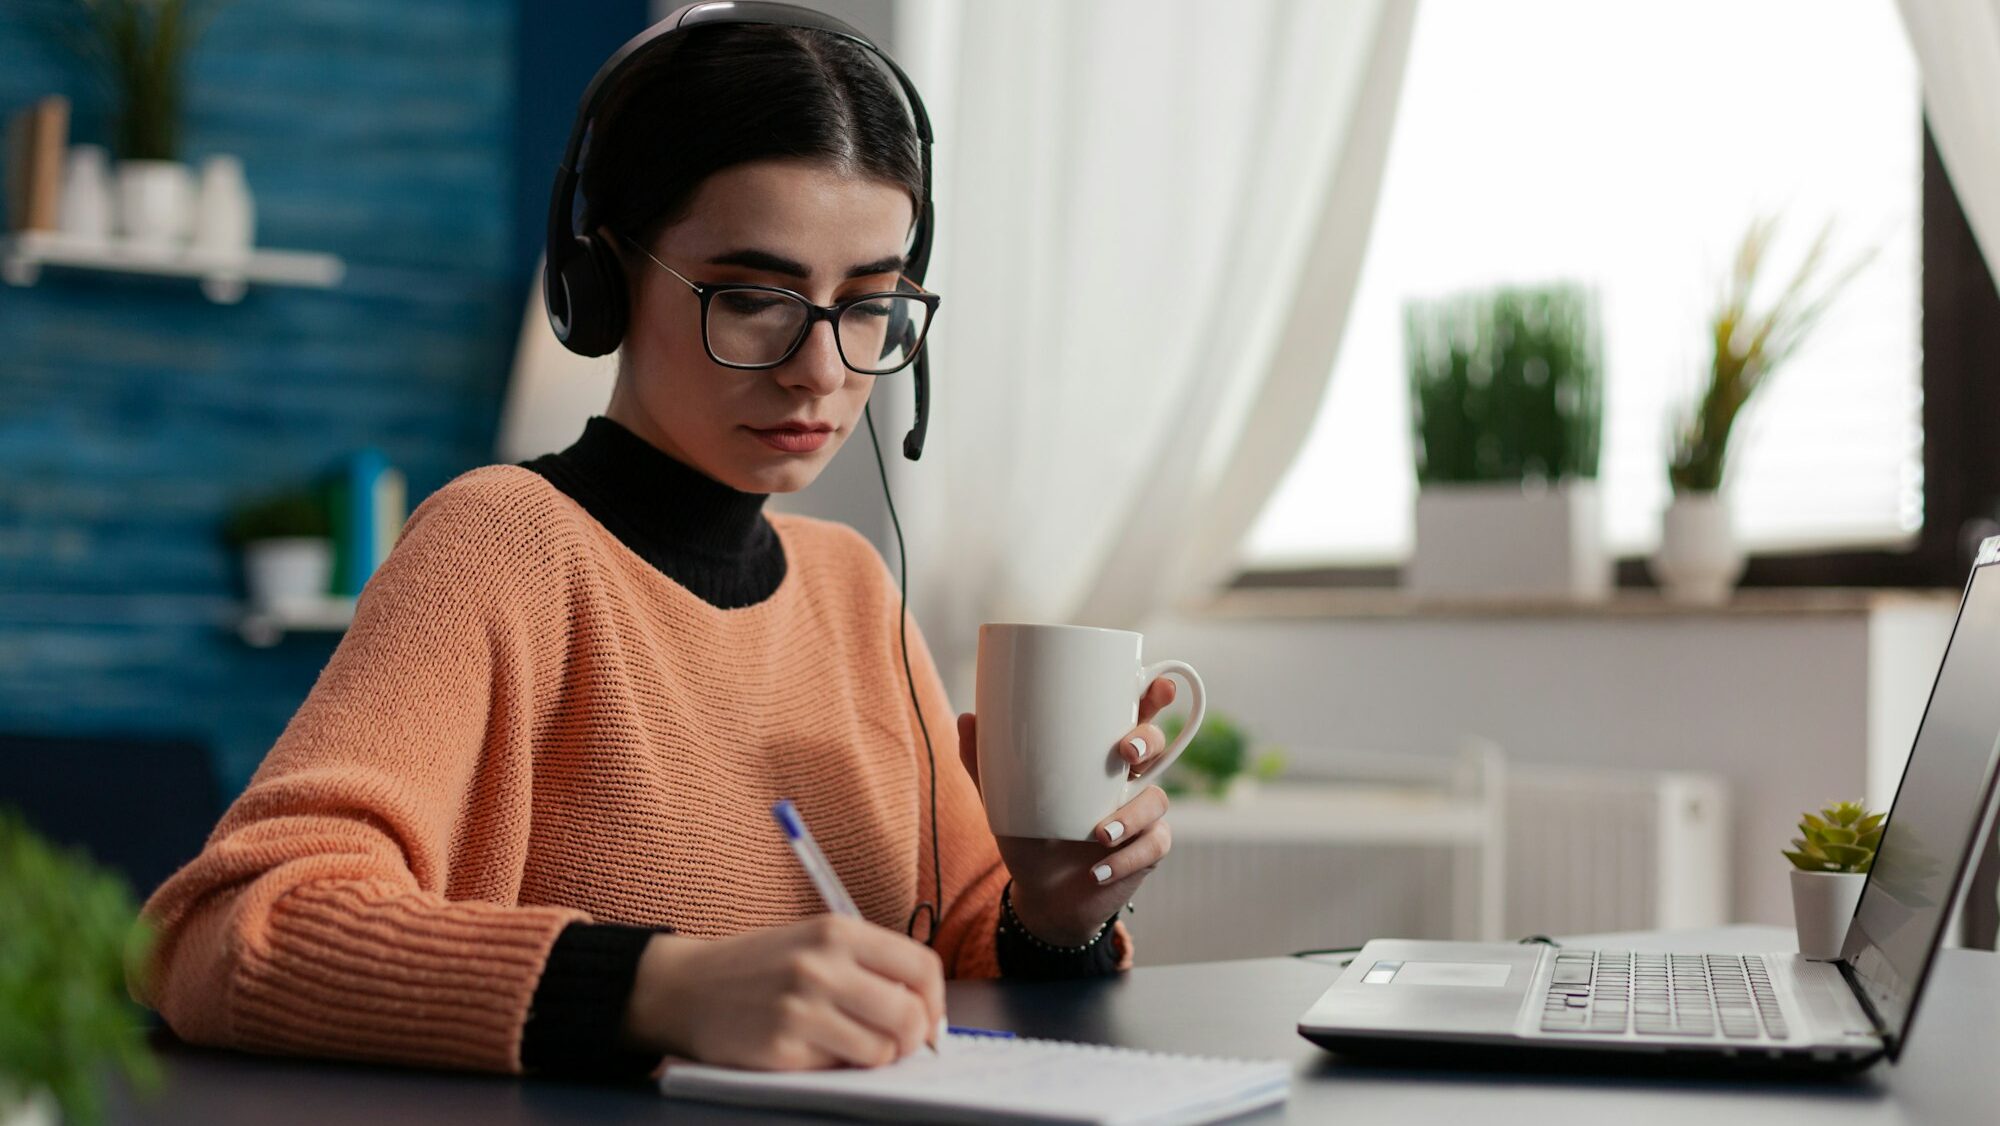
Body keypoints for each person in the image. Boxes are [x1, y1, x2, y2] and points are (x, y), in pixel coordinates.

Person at [130, 17, 1179, 1083]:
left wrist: (1052, 917)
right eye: (756, 299)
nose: (820, 369)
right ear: (604, 278)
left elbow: (963, 960)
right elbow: (225, 933)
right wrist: (660, 988)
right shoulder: (503, 544)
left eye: (869, 304)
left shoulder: (853, 589)